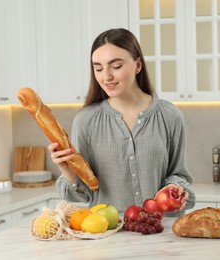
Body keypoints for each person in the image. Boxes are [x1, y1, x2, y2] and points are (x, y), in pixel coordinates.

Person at [48, 28, 195, 215]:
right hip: (108, 234)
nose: (106, 76)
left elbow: (178, 173)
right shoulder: (85, 121)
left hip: (160, 232)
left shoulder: (169, 115)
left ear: (138, 65)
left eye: (116, 66)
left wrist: (176, 189)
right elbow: (84, 195)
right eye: (98, 68)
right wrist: (66, 169)